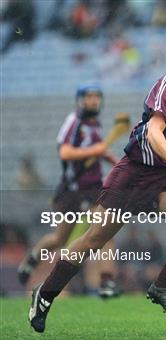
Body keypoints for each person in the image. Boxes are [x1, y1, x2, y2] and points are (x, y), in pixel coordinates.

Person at [28, 38, 166, 333]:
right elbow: (155, 129)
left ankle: (162, 288)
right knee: (93, 241)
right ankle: (45, 293)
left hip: (165, 181)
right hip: (134, 177)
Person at [18, 84, 121, 298]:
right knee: (59, 239)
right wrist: (97, 150)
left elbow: (98, 149)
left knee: (105, 232)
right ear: (80, 100)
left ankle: (106, 282)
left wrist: (113, 161)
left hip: (94, 188)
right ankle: (32, 259)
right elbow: (65, 152)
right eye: (89, 97)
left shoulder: (96, 125)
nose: (93, 101)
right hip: (73, 189)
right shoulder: (73, 122)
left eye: (96, 97)